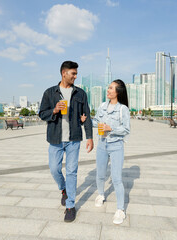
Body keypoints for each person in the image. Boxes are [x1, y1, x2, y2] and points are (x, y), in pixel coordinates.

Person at [39, 61, 94, 222]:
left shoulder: (81, 93)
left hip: (74, 139)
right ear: (64, 73)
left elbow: (87, 116)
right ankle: (63, 189)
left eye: (76, 74)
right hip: (55, 138)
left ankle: (70, 206)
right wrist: (54, 110)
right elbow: (42, 114)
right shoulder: (50, 93)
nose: (75, 77)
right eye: (73, 74)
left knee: (71, 172)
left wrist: (89, 136)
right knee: (54, 169)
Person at [92, 79, 130, 225]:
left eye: (111, 88)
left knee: (116, 178)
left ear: (118, 92)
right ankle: (101, 194)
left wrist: (111, 129)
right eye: (108, 88)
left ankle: (120, 209)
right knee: (100, 174)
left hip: (116, 146)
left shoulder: (123, 109)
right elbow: (96, 121)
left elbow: (126, 129)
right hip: (102, 144)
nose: (108, 90)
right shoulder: (102, 106)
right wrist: (86, 120)